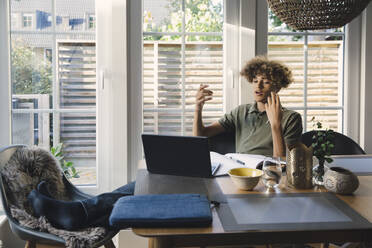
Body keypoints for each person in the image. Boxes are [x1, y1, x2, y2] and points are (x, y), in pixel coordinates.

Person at [193, 56, 302, 157]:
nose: (258, 86)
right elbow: (200, 135)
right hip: (239, 172)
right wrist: (198, 108)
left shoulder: (291, 118)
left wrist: (275, 125)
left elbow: (282, 163)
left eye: (266, 82)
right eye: (255, 81)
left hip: (267, 173)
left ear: (277, 87)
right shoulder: (240, 112)